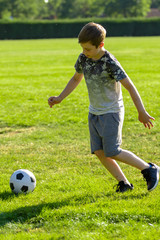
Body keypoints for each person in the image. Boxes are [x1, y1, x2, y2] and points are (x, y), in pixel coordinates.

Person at [48, 22, 159, 193]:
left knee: (113, 151)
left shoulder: (110, 62)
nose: (85, 52)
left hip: (111, 112)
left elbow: (130, 86)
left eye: (88, 49)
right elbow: (76, 78)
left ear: (101, 45)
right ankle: (124, 183)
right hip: (94, 112)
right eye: (83, 48)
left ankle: (148, 168)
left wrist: (141, 111)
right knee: (99, 152)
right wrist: (60, 98)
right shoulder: (83, 58)